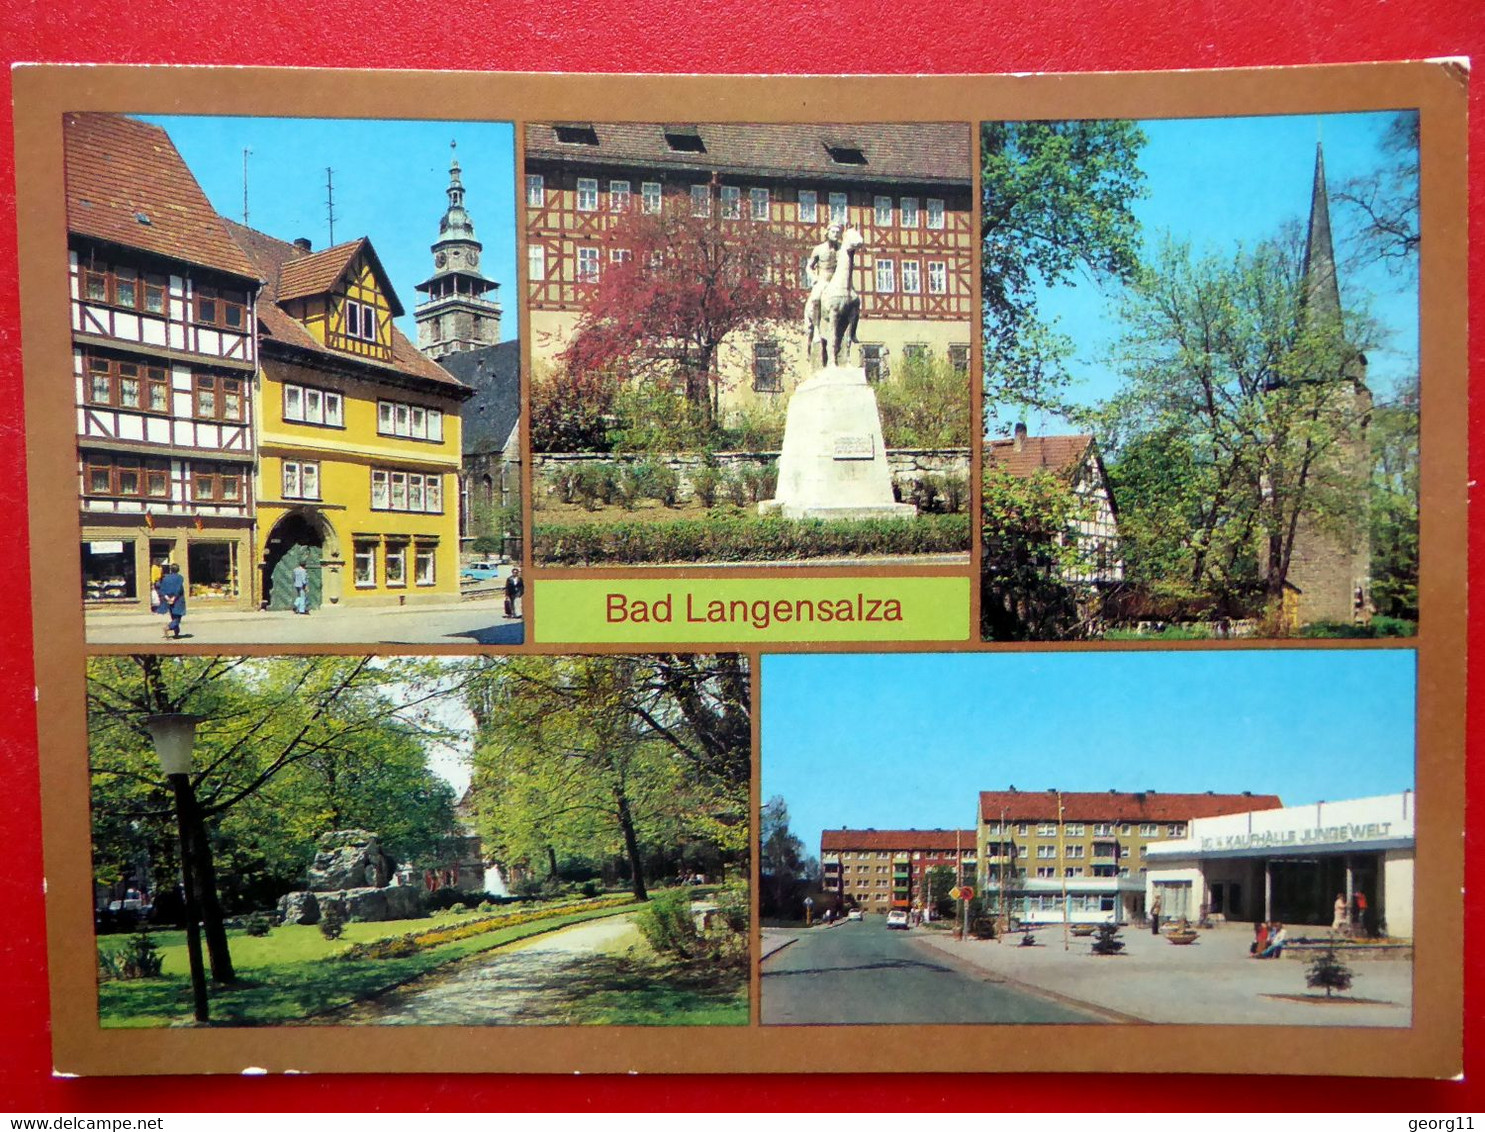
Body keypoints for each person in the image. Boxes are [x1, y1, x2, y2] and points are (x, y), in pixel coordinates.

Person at [156, 563, 186, 639]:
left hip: (168, 600)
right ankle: (167, 628)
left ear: (171, 569)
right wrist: (174, 598)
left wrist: (167, 598)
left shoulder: (165, 578)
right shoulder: (180, 578)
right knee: (178, 617)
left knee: (173, 616)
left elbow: (162, 589)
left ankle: (176, 633)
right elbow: (178, 589)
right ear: (178, 570)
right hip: (178, 600)